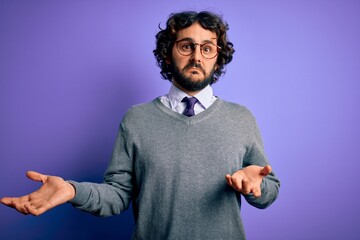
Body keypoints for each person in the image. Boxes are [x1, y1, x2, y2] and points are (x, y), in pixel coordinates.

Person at [1, 11, 280, 239]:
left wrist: (257, 187)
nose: (197, 56)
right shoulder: (136, 119)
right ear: (168, 54)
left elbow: (268, 190)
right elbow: (118, 195)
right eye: (186, 46)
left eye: (207, 48)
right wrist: (72, 190)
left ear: (217, 58)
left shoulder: (241, 118)